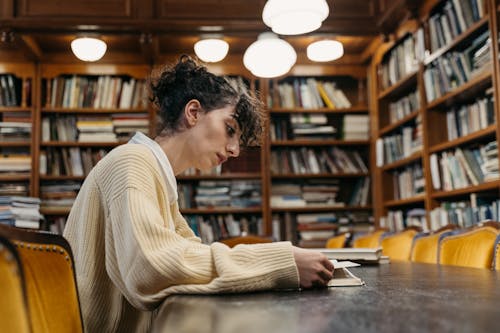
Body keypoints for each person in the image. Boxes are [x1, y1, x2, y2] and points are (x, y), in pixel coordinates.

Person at [63, 55, 334, 333]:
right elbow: (152, 268)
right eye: (230, 130)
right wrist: (281, 262)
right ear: (193, 112)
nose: (235, 150)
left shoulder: (158, 176)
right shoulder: (132, 162)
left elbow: (189, 256)